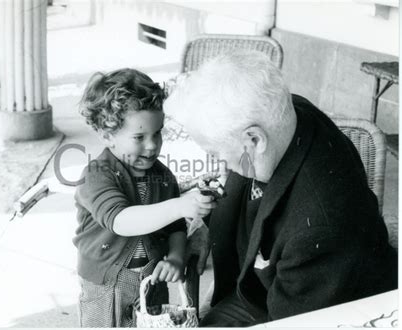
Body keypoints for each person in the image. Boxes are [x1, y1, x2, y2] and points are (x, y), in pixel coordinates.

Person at [164, 52, 398, 326]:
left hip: (309, 308)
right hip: (265, 282)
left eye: (217, 154)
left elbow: (291, 322)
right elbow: (247, 189)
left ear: (254, 139)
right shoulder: (285, 115)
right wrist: (209, 227)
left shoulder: (318, 228)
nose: (218, 163)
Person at [74, 68, 217, 327]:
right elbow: (120, 220)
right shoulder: (96, 175)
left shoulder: (163, 176)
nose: (152, 145)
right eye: (139, 137)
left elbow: (175, 227)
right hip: (106, 284)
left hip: (153, 279)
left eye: (158, 133)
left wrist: (175, 256)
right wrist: (179, 205)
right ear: (108, 136)